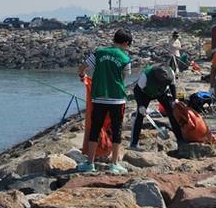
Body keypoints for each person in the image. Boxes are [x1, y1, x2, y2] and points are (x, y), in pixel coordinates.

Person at [78, 28, 133, 174]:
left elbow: (83, 67)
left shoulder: (99, 52)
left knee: (95, 129)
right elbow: (123, 78)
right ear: (126, 43)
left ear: (114, 39)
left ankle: (90, 163)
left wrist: (82, 75)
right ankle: (114, 164)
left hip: (99, 97)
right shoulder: (126, 59)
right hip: (117, 99)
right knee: (117, 130)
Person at [130, 64, 185, 150]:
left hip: (162, 93)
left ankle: (180, 140)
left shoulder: (170, 73)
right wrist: (140, 105)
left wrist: (175, 99)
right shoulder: (146, 76)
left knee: (172, 113)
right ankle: (134, 144)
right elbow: (136, 90)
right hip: (145, 94)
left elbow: (172, 86)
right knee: (139, 116)